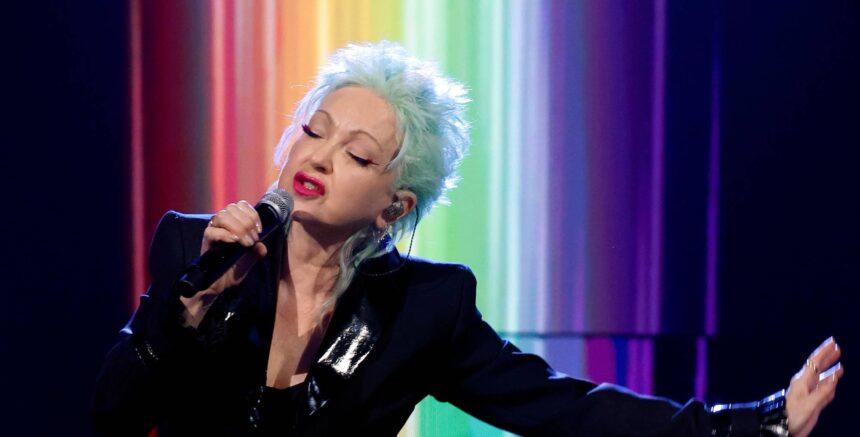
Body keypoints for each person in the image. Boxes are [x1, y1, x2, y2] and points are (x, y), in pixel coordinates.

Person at [94, 41, 843, 436]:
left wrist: (756, 420)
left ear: (394, 206)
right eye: (312, 131)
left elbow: (566, 409)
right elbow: (113, 415)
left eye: (357, 154)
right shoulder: (195, 249)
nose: (317, 156)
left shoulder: (427, 307)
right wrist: (182, 311)